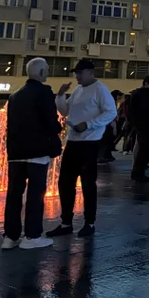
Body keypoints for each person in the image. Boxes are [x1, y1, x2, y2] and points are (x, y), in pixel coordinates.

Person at [47, 59, 117, 239]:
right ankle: (66, 222)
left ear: (90, 72)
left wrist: (89, 125)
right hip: (73, 141)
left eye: (80, 73)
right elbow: (64, 112)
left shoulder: (100, 90)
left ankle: (89, 222)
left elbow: (111, 112)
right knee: (65, 182)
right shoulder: (78, 90)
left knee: (87, 183)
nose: (77, 76)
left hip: (90, 142)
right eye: (75, 73)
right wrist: (60, 96)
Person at [2, 57, 61, 250]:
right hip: (37, 151)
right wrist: (57, 131)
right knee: (36, 194)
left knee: (14, 195)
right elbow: (50, 120)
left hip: (16, 153)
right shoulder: (44, 92)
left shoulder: (15, 95)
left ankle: (10, 237)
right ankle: (32, 235)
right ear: (42, 72)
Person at [127, 76, 149, 182]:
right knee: (145, 150)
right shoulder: (143, 95)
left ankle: (138, 172)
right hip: (145, 126)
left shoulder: (137, 94)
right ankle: (138, 173)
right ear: (147, 83)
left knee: (143, 149)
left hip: (141, 126)